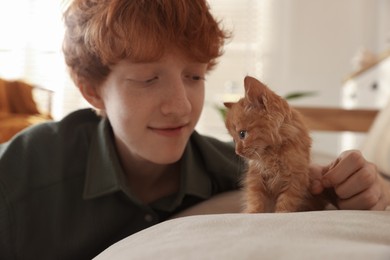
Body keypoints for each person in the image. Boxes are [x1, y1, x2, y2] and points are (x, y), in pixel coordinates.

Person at [0, 0, 389, 259]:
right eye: (148, 79)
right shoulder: (25, 170)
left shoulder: (229, 170)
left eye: (194, 76)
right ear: (92, 91)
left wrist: (365, 190)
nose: (182, 106)